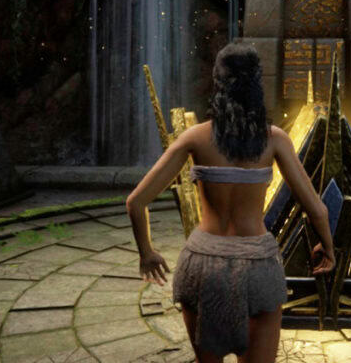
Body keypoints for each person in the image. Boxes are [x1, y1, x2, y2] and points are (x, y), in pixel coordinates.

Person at [125, 42, 336, 363]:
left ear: (218, 83)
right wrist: (327, 247)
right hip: (257, 268)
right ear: (256, 84)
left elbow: (136, 201)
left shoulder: (194, 137)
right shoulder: (275, 139)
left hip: (202, 265)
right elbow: (317, 209)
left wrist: (146, 253)